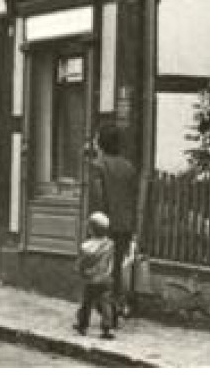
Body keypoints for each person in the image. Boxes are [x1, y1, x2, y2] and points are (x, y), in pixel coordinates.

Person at [87, 124, 138, 317]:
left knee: (98, 269)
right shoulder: (128, 167)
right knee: (115, 268)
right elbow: (132, 198)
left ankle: (105, 311)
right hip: (124, 226)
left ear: (101, 142)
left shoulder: (98, 165)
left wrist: (95, 226)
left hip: (105, 226)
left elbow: (98, 198)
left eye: (96, 138)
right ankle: (115, 304)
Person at [75, 211, 117, 339]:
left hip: (90, 279)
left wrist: (80, 271)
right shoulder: (110, 244)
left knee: (86, 303)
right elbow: (111, 261)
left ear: (91, 230)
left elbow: (81, 263)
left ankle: (82, 326)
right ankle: (107, 328)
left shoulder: (86, 246)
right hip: (105, 278)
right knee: (106, 303)